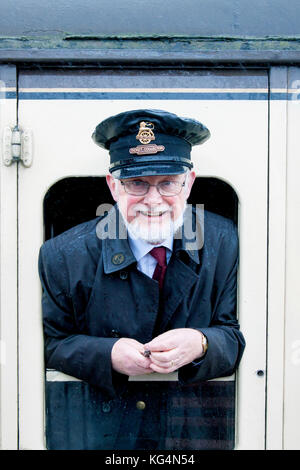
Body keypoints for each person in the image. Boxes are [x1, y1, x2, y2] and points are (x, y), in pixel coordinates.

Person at [39, 109, 245, 450]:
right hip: (103, 435)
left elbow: (236, 332)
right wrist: (108, 354)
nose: (153, 201)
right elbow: (50, 344)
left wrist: (202, 343)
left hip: (193, 434)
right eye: (137, 183)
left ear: (189, 183)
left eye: (167, 183)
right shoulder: (63, 255)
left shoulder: (225, 242)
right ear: (113, 186)